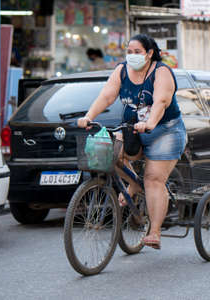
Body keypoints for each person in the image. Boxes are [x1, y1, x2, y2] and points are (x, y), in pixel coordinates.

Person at [78, 34, 187, 250]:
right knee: (111, 155)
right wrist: (89, 116)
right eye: (129, 51)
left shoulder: (161, 72)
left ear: (149, 53)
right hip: (132, 128)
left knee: (154, 178)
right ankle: (134, 184)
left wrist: (150, 122)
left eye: (137, 52)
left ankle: (154, 232)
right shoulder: (121, 70)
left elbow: (161, 101)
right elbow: (107, 96)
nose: (132, 56)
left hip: (165, 130)